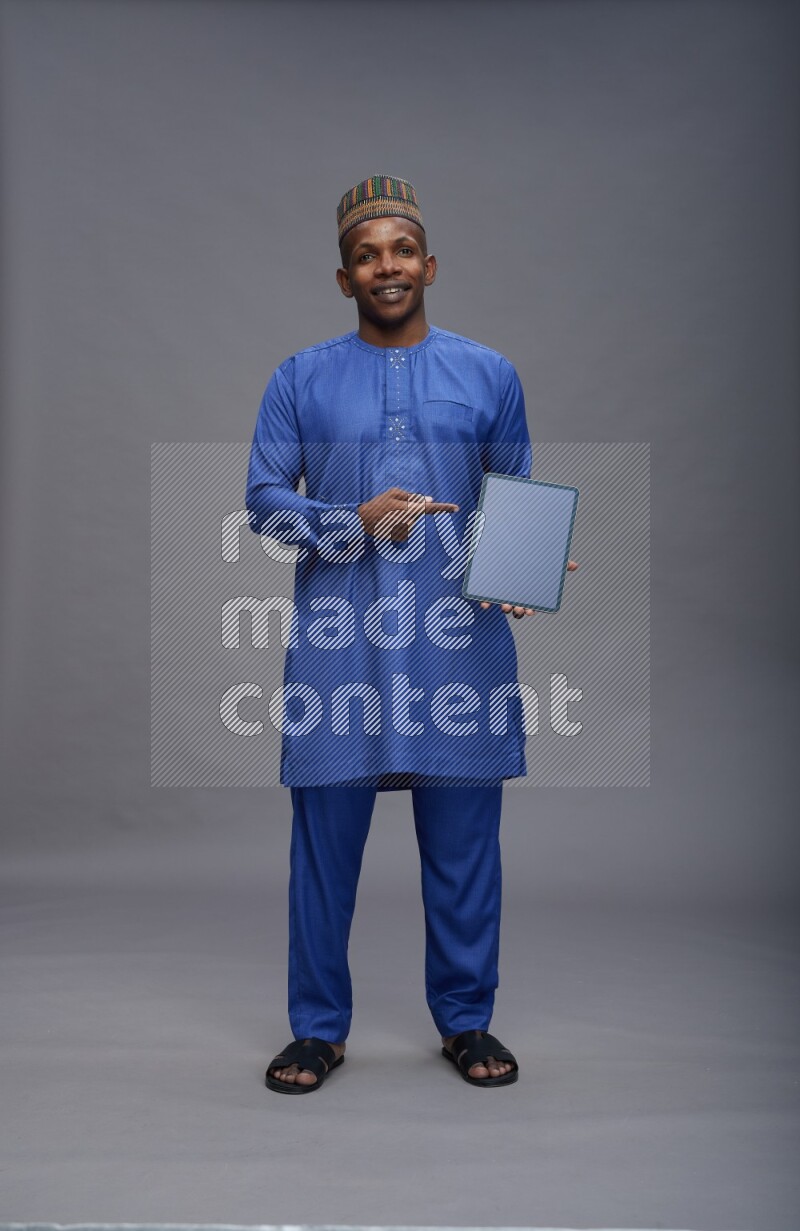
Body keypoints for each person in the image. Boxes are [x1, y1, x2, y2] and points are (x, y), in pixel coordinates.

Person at [245, 175, 577, 1093]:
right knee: (322, 846)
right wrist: (354, 521)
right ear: (344, 277)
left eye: (399, 251)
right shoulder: (300, 378)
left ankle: (467, 1020)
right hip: (338, 645)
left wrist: (522, 571)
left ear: (428, 265)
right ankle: (317, 1029)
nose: (385, 266)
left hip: (455, 643)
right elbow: (265, 504)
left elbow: (513, 493)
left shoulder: (489, 372)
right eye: (365, 254)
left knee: (467, 846)